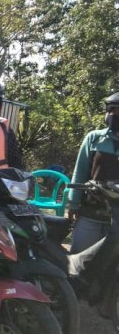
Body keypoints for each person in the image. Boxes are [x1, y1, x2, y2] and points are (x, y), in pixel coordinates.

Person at [66, 92, 119, 254]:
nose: (115, 114)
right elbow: (79, 172)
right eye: (112, 110)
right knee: (77, 261)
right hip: (90, 214)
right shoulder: (94, 138)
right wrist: (73, 204)